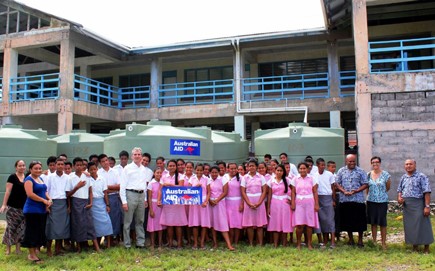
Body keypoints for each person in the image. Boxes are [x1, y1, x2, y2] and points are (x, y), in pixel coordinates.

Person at [397, 159, 433, 254]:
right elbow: (400, 190)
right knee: (411, 226)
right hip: (407, 205)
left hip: (419, 203)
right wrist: (399, 198)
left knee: (423, 225)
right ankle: (415, 247)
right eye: (406, 164)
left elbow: (427, 192)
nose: (408, 166)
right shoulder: (403, 177)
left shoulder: (421, 176)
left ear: (415, 165)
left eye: (410, 164)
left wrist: (427, 206)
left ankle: (426, 248)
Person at [21, 161, 52, 264]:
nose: (38, 170)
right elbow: (30, 194)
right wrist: (43, 201)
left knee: (38, 232)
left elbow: (45, 191)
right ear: (30, 169)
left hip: (41, 210)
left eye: (39, 168)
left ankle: (34, 252)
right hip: (31, 210)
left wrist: (49, 199)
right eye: (36, 168)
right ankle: (32, 255)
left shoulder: (40, 178)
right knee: (31, 232)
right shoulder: (28, 180)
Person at [67, 157, 100, 253]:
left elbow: (90, 191)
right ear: (73, 166)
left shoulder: (87, 176)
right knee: (78, 224)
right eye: (77, 165)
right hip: (76, 202)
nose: (79, 167)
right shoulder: (70, 178)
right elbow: (68, 194)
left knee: (90, 224)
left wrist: (91, 202)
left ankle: (96, 247)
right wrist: (77, 187)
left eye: (81, 165)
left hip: (86, 202)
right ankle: (79, 247)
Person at [119, 147, 151, 249]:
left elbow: (144, 186)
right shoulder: (127, 168)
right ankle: (127, 244)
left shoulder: (143, 169)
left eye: (139, 154)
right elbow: (122, 186)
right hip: (130, 195)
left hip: (141, 195)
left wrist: (145, 199)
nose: (137, 156)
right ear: (132, 156)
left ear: (141, 156)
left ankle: (140, 243)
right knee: (127, 222)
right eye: (135, 154)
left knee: (140, 221)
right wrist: (124, 202)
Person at [335, 154, 368, 247]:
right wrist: (343, 191)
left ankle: (360, 240)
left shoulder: (361, 171)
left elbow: (365, 183)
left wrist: (357, 190)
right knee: (348, 220)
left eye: (353, 161)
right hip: (345, 200)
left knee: (360, 221)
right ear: (346, 161)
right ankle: (350, 239)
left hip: (358, 200)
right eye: (350, 161)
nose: (352, 163)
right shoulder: (341, 171)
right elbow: (337, 183)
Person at [158, 159, 187, 249]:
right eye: (170, 166)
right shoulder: (163, 176)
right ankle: (170, 244)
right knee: (169, 224)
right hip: (168, 203)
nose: (172, 167)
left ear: (176, 167)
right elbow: (160, 190)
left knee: (178, 224)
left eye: (173, 166)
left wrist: (170, 185)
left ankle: (179, 244)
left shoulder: (181, 176)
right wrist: (159, 200)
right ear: (167, 167)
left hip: (178, 203)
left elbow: (181, 187)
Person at [291, 162, 319, 250]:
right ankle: (298, 244)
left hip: (310, 202)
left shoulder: (312, 178)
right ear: (298, 169)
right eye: (301, 168)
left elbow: (315, 191)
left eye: (304, 168)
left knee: (309, 225)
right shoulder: (295, 179)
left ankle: (309, 244)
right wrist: (292, 202)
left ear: (307, 169)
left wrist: (316, 204)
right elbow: (293, 192)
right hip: (299, 202)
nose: (302, 170)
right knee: (299, 224)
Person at [0, 160, 27, 255]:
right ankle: (8, 249)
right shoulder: (12, 177)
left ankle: (18, 249)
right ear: (16, 167)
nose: (22, 167)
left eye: (23, 165)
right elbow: (7, 192)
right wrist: (4, 204)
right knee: (11, 228)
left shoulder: (27, 177)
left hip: (24, 207)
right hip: (12, 207)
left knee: (21, 228)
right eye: (20, 166)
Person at [45, 158, 70, 256]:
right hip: (53, 203)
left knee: (62, 227)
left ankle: (58, 249)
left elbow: (68, 193)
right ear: (55, 165)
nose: (60, 166)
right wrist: (48, 204)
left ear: (64, 166)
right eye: (58, 164)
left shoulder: (67, 177)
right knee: (51, 227)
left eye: (62, 164)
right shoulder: (50, 177)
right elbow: (46, 191)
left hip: (63, 203)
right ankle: (48, 249)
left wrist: (68, 206)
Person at [241, 159, 268, 246]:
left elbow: (264, 191)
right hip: (248, 201)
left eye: (253, 166)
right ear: (247, 167)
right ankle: (251, 243)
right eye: (250, 166)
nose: (251, 167)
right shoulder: (245, 177)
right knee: (249, 224)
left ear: (256, 167)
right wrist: (248, 203)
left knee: (259, 224)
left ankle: (260, 243)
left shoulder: (261, 177)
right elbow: (243, 191)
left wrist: (260, 202)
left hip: (259, 201)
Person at [366, 156, 391, 250]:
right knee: (373, 222)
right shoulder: (368, 174)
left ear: (380, 163)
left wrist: (380, 194)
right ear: (371, 163)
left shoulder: (385, 174)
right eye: (373, 162)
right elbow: (367, 188)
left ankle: (384, 243)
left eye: (377, 162)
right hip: (371, 201)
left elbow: (388, 187)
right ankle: (374, 241)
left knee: (382, 222)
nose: (375, 164)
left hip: (382, 201)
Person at [97, 154, 122, 245]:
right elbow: (99, 188)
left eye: (106, 160)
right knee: (104, 218)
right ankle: (105, 239)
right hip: (102, 198)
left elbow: (119, 186)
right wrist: (106, 189)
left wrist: (107, 188)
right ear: (100, 163)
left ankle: (113, 238)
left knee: (114, 218)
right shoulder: (98, 173)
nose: (105, 163)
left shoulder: (115, 172)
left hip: (114, 197)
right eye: (103, 161)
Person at [209, 166, 234, 250]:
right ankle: (215, 243)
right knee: (213, 224)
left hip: (220, 203)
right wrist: (210, 200)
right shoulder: (208, 180)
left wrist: (217, 200)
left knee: (222, 223)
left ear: (219, 172)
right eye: (212, 172)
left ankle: (229, 244)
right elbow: (207, 191)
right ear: (210, 173)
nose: (214, 174)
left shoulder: (223, 179)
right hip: (210, 203)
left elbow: (225, 192)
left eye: (216, 172)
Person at [88, 162, 113, 248]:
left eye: (94, 169)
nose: (93, 171)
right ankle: (96, 245)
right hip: (93, 203)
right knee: (95, 225)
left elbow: (105, 192)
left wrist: (107, 204)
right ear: (88, 170)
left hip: (101, 203)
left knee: (107, 222)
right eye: (91, 170)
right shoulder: (88, 179)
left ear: (97, 169)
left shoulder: (102, 179)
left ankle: (108, 245)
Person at [267, 164, 292, 247]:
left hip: (284, 204)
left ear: (283, 172)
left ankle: (284, 243)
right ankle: (275, 244)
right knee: (275, 223)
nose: (279, 172)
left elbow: (293, 190)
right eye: (278, 170)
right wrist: (268, 207)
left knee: (284, 223)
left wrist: (290, 200)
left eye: (281, 171)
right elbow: (269, 195)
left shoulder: (287, 180)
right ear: (275, 171)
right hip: (274, 203)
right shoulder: (271, 181)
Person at [187, 163, 211, 249]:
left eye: (201, 170)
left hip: (204, 202)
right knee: (195, 224)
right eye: (197, 170)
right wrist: (195, 188)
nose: (199, 172)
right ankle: (195, 243)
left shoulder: (207, 179)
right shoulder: (192, 179)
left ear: (203, 170)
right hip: (194, 202)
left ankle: (202, 243)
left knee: (204, 224)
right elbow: (188, 191)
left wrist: (206, 201)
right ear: (195, 170)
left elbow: (209, 192)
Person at [315, 158, 336, 248]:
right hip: (318, 198)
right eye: (321, 165)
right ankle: (323, 241)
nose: (323, 166)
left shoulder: (329, 174)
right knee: (321, 220)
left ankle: (332, 242)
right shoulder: (314, 175)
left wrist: (333, 200)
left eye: (324, 165)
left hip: (328, 198)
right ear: (317, 165)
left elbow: (333, 188)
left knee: (330, 219)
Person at [147, 167, 166, 249]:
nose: (159, 174)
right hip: (153, 206)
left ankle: (160, 244)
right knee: (152, 225)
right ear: (154, 174)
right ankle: (152, 244)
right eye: (157, 172)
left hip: (161, 206)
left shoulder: (163, 183)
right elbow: (149, 198)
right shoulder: (151, 183)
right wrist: (151, 209)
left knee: (160, 225)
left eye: (160, 173)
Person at [226, 163, 243, 245]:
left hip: (237, 202)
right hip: (227, 202)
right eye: (231, 169)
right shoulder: (224, 178)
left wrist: (242, 204)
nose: (233, 170)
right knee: (229, 222)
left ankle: (236, 241)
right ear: (228, 169)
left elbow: (243, 192)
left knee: (237, 222)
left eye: (234, 168)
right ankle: (230, 240)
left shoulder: (241, 178)